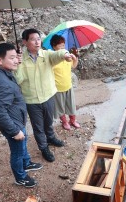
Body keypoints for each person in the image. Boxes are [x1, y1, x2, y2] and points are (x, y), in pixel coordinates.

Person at [14, 29, 76, 162]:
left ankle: (51, 137)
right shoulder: (21, 60)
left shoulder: (46, 55)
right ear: (25, 42)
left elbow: (58, 54)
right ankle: (43, 148)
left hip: (48, 96)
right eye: (33, 39)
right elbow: (18, 80)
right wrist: (17, 65)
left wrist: (65, 54)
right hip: (31, 100)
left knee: (48, 122)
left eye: (38, 38)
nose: (37, 42)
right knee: (38, 126)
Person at [0, 43, 42, 188]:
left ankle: (27, 163)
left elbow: (10, 66)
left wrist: (14, 60)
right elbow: (0, 112)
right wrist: (14, 131)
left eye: (16, 58)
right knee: (17, 152)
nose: (16, 60)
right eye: (12, 58)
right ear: (0, 60)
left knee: (23, 144)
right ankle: (20, 177)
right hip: (13, 124)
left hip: (17, 118)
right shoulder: (1, 83)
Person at [50, 35, 81, 130]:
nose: (63, 48)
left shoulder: (67, 55)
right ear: (54, 46)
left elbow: (73, 66)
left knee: (71, 105)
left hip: (68, 85)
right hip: (58, 88)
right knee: (60, 107)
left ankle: (73, 120)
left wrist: (75, 58)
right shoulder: (52, 58)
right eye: (60, 46)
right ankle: (64, 122)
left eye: (63, 45)